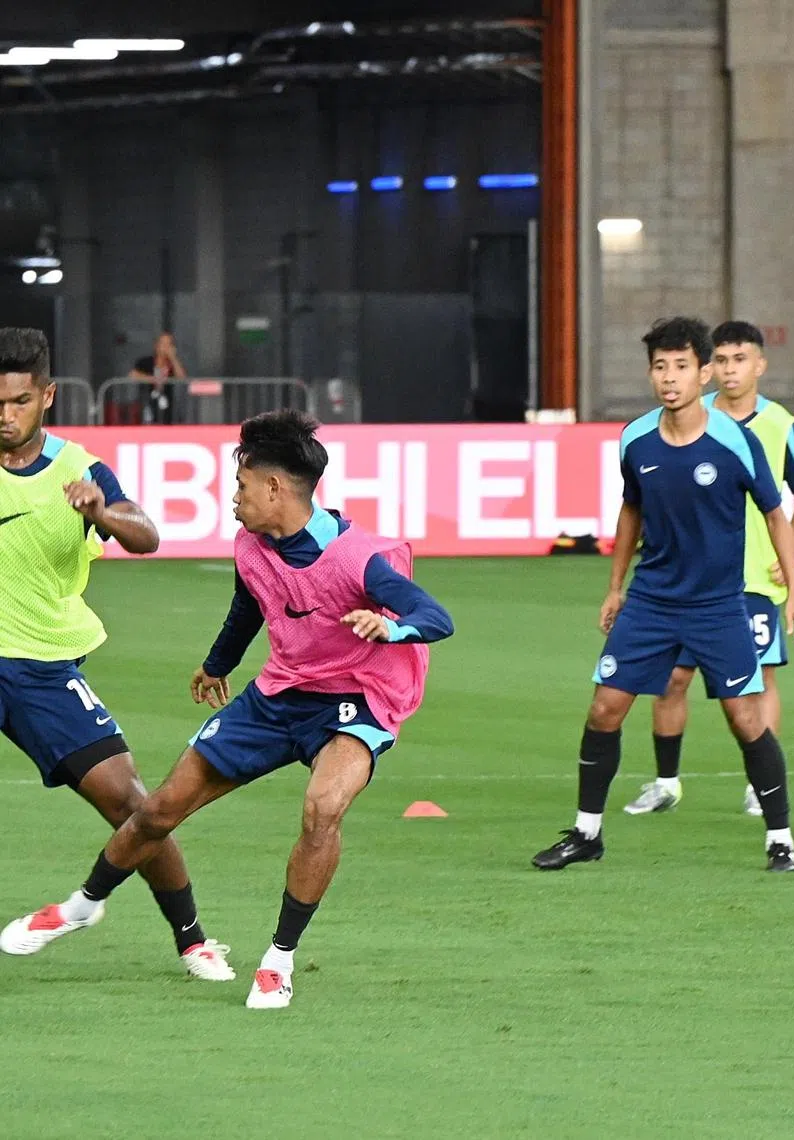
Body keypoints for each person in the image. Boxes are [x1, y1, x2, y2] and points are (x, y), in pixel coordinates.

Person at [5, 410, 454, 1009]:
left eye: (241, 486)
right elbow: (249, 606)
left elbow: (435, 617)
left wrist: (391, 629)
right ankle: (83, 907)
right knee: (159, 810)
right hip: (280, 693)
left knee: (322, 809)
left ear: (274, 487)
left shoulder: (357, 557)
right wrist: (218, 665)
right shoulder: (251, 545)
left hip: (358, 697)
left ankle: (278, 961)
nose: (233, 497)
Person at [532, 316, 794, 874]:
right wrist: (615, 587)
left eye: (681, 366)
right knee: (605, 708)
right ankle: (587, 833)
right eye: (660, 367)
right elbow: (631, 509)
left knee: (745, 719)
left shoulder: (736, 441)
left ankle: (780, 838)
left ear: (703, 373)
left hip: (719, 606)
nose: (669, 377)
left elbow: (775, 514)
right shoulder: (635, 439)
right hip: (651, 602)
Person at [0, 327, 233, 981]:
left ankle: (192, 939)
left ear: (47, 396)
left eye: (18, 401)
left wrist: (102, 512)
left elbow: (146, 535)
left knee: (133, 806)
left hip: (40, 669)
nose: (5, 415)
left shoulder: (81, 470)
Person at [623, 321, 794, 817]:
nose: (731, 370)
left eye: (740, 360)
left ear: (759, 365)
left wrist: (791, 555)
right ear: (710, 369)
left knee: (755, 684)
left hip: (754, 581)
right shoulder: (690, 416)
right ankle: (666, 782)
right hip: (688, 583)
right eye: (723, 360)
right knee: (672, 679)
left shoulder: (780, 425)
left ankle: (759, 787)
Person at [128, 331, 186, 425]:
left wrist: (173, 358)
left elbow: (182, 378)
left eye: (169, 344)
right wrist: (154, 379)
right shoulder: (146, 361)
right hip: (147, 403)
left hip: (168, 406)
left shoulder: (173, 365)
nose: (165, 347)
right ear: (156, 345)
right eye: (163, 343)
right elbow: (133, 375)